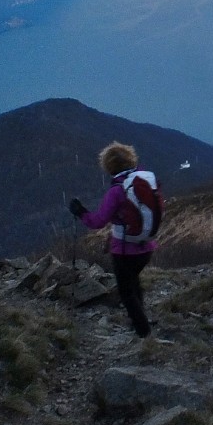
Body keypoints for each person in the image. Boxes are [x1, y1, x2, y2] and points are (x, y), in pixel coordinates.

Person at [69, 142, 156, 337]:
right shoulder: (145, 180)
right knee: (134, 282)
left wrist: (80, 211)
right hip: (147, 246)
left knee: (126, 292)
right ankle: (141, 322)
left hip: (124, 250)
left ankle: (143, 332)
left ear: (109, 166)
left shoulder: (117, 191)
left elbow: (98, 221)